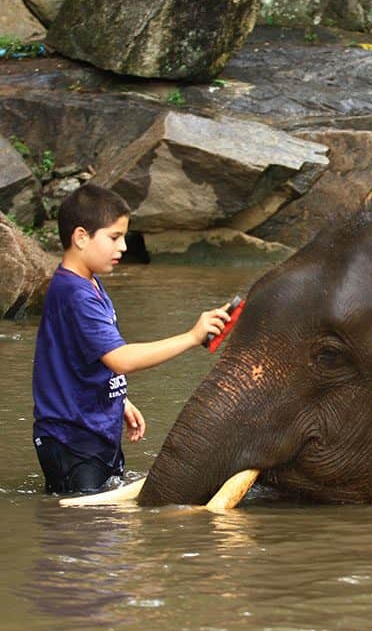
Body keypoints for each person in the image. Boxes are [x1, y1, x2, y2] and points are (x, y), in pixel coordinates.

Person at [32, 184, 231, 494]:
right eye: (114, 237)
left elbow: (84, 359)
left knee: (102, 523)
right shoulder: (76, 295)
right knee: (83, 527)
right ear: (81, 237)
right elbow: (120, 358)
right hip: (73, 438)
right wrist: (192, 337)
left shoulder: (89, 285)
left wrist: (118, 397)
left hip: (90, 430)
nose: (123, 247)